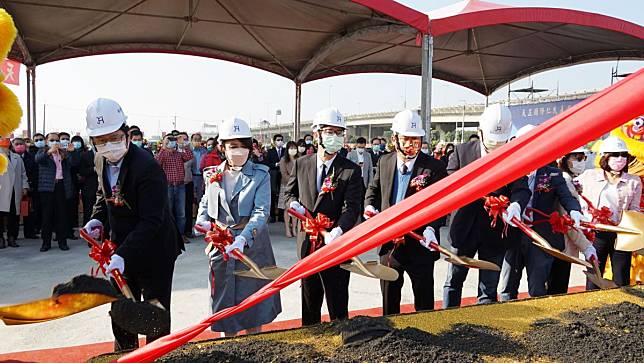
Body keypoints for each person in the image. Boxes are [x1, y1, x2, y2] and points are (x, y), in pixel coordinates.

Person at [81, 98, 184, 351]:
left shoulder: (147, 167)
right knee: (122, 312)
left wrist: (123, 254)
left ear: (127, 134)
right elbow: (102, 194)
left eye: (114, 137)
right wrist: (96, 219)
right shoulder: (99, 160)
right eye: (101, 141)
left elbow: (152, 219)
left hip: (155, 249)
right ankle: (126, 355)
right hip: (120, 247)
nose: (108, 145)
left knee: (154, 314)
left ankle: (157, 355)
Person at [195, 117, 281, 337]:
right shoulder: (212, 174)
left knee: (254, 303)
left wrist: (243, 239)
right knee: (224, 301)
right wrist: (202, 220)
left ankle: (254, 345)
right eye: (233, 146)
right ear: (222, 148)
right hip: (221, 246)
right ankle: (228, 346)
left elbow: (261, 211)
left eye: (243, 146)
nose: (239, 151)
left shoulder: (260, 174)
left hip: (251, 245)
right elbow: (206, 201)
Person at [443, 104, 531, 307]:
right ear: (480, 132)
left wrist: (517, 205)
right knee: (454, 281)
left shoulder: (514, 156)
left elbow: (521, 188)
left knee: (488, 289)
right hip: (464, 230)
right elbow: (448, 183)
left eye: (501, 143)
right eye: (491, 142)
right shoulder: (462, 152)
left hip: (496, 233)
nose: (495, 148)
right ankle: (447, 320)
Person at [364, 110, 447, 315]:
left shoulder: (433, 167)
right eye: (406, 139)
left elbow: (440, 204)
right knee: (389, 299)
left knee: (424, 300)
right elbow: (373, 190)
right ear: (395, 139)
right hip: (390, 243)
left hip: (420, 243)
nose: (411, 145)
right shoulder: (384, 161)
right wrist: (369, 206)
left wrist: (431, 227)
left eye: (416, 140)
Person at [285, 108, 362, 326]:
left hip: (336, 244)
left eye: (339, 133)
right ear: (316, 134)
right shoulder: (302, 164)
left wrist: (339, 230)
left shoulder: (350, 170)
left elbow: (352, 206)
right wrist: (292, 204)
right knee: (310, 302)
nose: (335, 137)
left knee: (338, 303)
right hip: (308, 243)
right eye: (330, 132)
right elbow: (289, 192)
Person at [499, 125, 588, 300]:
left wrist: (575, 211)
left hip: (541, 237)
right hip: (514, 235)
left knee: (538, 287)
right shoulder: (508, 171)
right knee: (507, 286)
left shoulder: (553, 174)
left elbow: (566, 197)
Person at [576, 136, 642, 288]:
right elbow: (571, 191)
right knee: (594, 275)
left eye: (623, 155)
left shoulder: (634, 181)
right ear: (605, 156)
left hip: (621, 235)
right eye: (615, 155)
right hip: (596, 235)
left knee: (621, 276)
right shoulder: (589, 176)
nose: (620, 159)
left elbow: (634, 209)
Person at [547, 147, 596, 295]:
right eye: (577, 158)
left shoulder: (569, 179)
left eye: (583, 158)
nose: (581, 162)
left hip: (562, 245)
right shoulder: (564, 180)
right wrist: (586, 246)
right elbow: (567, 222)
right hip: (562, 245)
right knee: (556, 289)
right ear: (564, 159)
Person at [36, 132, 74, 251]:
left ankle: (62, 242)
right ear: (47, 141)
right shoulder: (43, 151)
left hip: (61, 187)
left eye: (57, 140)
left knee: (61, 215)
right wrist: (49, 151)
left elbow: (73, 164)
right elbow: (38, 160)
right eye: (52, 140)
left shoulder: (63, 152)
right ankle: (46, 243)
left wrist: (70, 152)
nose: (55, 142)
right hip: (47, 189)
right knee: (47, 216)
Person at [155, 133, 194, 237]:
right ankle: (170, 235)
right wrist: (163, 147)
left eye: (173, 141)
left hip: (180, 186)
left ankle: (181, 235)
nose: (171, 143)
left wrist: (182, 144)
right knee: (169, 211)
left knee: (181, 213)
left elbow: (189, 156)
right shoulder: (163, 153)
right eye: (169, 141)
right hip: (168, 186)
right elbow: (156, 163)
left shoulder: (179, 153)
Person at [0, 138, 28, 248]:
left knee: (14, 215)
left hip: (15, 190)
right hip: (2, 190)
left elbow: (23, 174)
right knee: (0, 215)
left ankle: (12, 237)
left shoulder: (17, 157)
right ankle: (0, 237)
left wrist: (25, 186)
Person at [12, 137, 38, 239]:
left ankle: (30, 232)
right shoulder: (9, 157)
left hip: (29, 188)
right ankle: (13, 234)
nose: (19, 146)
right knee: (15, 212)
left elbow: (35, 172)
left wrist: (28, 186)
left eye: (21, 144)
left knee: (29, 212)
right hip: (14, 188)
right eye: (16, 144)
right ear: (13, 146)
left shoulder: (31, 157)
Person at [177, 132, 196, 239]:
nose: (183, 141)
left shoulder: (189, 152)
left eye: (185, 139)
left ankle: (188, 230)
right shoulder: (174, 152)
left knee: (188, 208)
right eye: (181, 139)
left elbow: (191, 163)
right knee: (179, 210)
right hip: (177, 184)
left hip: (188, 182)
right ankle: (180, 233)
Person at [279, 141, 299, 237]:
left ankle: (294, 229)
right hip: (286, 186)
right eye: (291, 148)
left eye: (294, 148)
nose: (293, 150)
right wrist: (294, 181)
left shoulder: (300, 159)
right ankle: (287, 229)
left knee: (295, 208)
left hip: (298, 186)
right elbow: (284, 174)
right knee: (287, 208)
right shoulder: (283, 160)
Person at [266, 134, 285, 223]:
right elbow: (267, 163)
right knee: (273, 195)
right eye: (278, 140)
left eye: (281, 140)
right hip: (273, 174)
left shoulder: (285, 151)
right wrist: (276, 164)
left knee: (282, 195)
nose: (280, 141)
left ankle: (281, 215)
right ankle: (272, 215)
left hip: (283, 175)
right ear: (274, 141)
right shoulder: (270, 151)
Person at [190, 133, 208, 218]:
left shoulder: (204, 151)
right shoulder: (189, 151)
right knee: (192, 196)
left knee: (201, 196)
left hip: (202, 177)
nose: (197, 141)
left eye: (198, 140)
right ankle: (193, 214)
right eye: (195, 139)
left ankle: (200, 215)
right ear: (192, 141)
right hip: (191, 176)